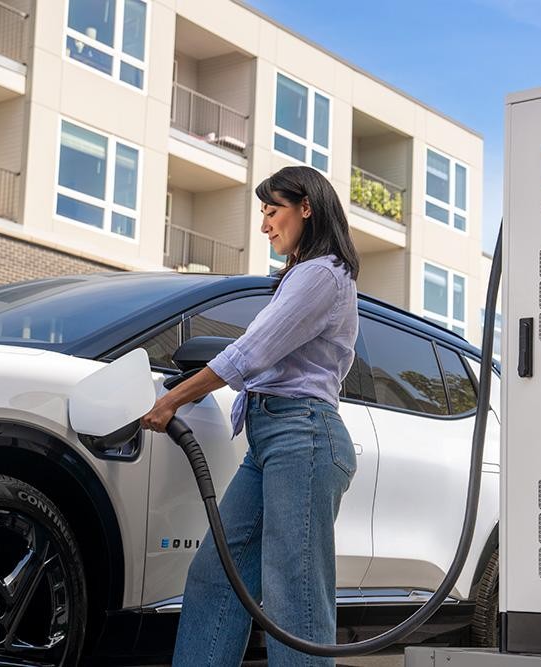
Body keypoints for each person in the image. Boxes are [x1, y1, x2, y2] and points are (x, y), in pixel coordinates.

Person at [140, 165, 360, 666]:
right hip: (271, 442)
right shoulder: (302, 277)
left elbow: (249, 353)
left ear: (307, 206)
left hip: (302, 437)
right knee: (217, 577)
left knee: (293, 597)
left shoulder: (323, 274)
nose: (265, 226)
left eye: (272, 210)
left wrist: (172, 399)